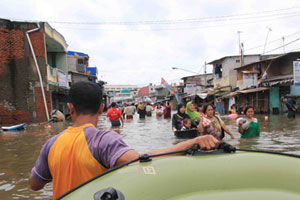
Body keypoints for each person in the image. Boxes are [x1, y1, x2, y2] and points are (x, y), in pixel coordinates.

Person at [29, 81, 219, 199]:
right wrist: (192, 143)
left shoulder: (51, 144)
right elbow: (142, 159)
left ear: (70, 108)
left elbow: (35, 185)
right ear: (101, 108)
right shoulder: (103, 140)